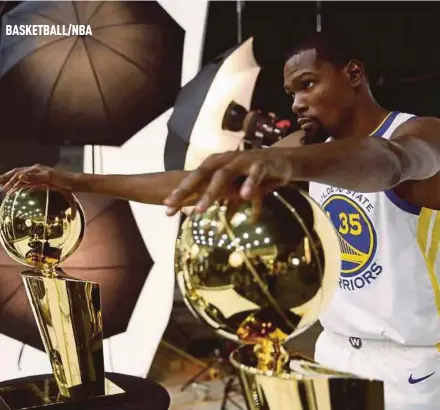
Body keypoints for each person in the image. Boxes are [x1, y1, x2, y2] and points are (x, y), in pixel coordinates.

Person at [2, 30, 440, 409]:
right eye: (291, 94)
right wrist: (76, 180)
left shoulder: (417, 133)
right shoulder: (307, 150)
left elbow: (392, 161)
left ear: (354, 74)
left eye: (308, 85)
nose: (299, 103)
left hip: (414, 366)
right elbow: (192, 182)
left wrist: (286, 164)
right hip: (333, 352)